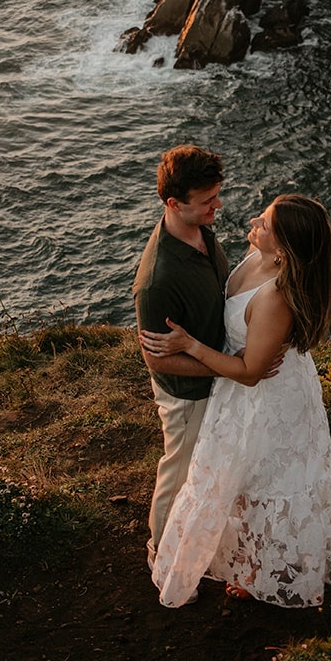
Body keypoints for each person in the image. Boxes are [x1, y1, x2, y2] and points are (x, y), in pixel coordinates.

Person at [140, 193, 331, 609]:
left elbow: (252, 373)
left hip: (266, 398)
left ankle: (262, 572)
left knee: (266, 484)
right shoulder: (258, 256)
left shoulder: (275, 297)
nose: (254, 220)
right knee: (242, 480)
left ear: (284, 251)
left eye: (266, 223)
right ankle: (248, 563)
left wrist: (190, 345)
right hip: (237, 393)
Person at [133, 144, 228, 568]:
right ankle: (163, 556)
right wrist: (227, 367)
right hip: (188, 395)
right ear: (174, 204)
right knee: (180, 471)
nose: (217, 206)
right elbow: (159, 361)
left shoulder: (200, 230)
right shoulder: (157, 282)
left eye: (216, 195)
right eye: (207, 201)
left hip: (217, 377)